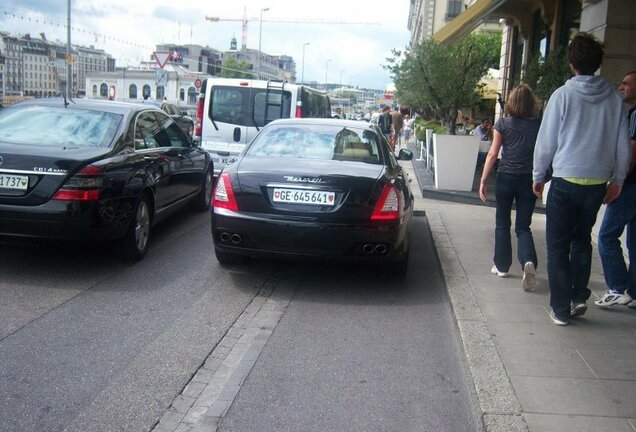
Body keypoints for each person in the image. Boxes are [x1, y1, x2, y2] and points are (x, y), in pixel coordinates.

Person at [532, 33, 631, 326]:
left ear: (571, 63)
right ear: (597, 64)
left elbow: (546, 141)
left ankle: (560, 309)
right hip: (597, 183)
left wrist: (538, 175)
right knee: (581, 240)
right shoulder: (614, 98)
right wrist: (618, 179)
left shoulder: (562, 95)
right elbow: (622, 144)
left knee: (558, 245)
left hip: (564, 179)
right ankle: (577, 297)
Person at [479, 84, 541, 290]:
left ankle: (502, 266)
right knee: (524, 226)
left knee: (502, 222)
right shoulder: (538, 125)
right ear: (532, 104)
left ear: (511, 102)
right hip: (529, 178)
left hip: (506, 176)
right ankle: (528, 261)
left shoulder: (503, 124)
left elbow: (493, 154)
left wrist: (483, 179)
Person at [596, 70, 636, 309]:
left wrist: (617, 182)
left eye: (627, 84)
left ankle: (617, 287)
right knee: (633, 242)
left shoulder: (635, 116)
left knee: (606, 235)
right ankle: (632, 291)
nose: (621, 87)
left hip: (631, 186)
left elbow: (631, 153)